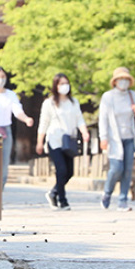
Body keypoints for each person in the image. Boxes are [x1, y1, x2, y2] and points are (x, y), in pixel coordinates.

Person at [36, 73, 89, 210]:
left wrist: (84, 131)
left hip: (69, 140)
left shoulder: (73, 102)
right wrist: (39, 142)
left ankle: (53, 193)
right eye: (61, 84)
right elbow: (43, 123)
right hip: (54, 140)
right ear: (55, 86)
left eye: (66, 83)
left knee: (69, 172)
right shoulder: (49, 103)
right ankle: (62, 200)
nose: (64, 86)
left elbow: (79, 119)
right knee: (61, 169)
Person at [98, 67, 135, 212]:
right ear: (115, 81)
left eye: (126, 79)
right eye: (121, 79)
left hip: (129, 137)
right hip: (114, 138)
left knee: (127, 170)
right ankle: (107, 192)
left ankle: (123, 200)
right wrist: (103, 137)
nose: (123, 82)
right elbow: (103, 119)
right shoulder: (108, 97)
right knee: (116, 168)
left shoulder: (132, 95)